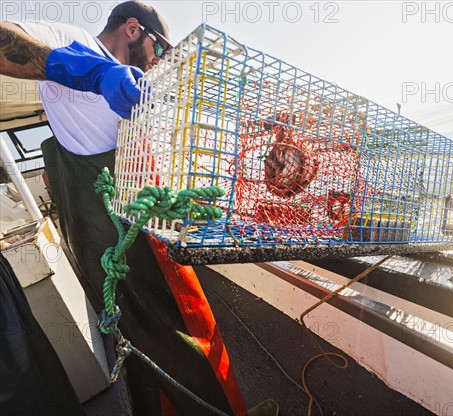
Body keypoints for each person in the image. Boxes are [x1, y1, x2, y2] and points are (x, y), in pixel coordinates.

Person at [0, 2, 267, 415]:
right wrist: (93, 73)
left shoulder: (137, 84)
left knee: (143, 335)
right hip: (115, 230)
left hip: (133, 218)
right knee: (184, 328)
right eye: (160, 48)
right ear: (131, 29)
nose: (161, 60)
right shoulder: (79, 43)